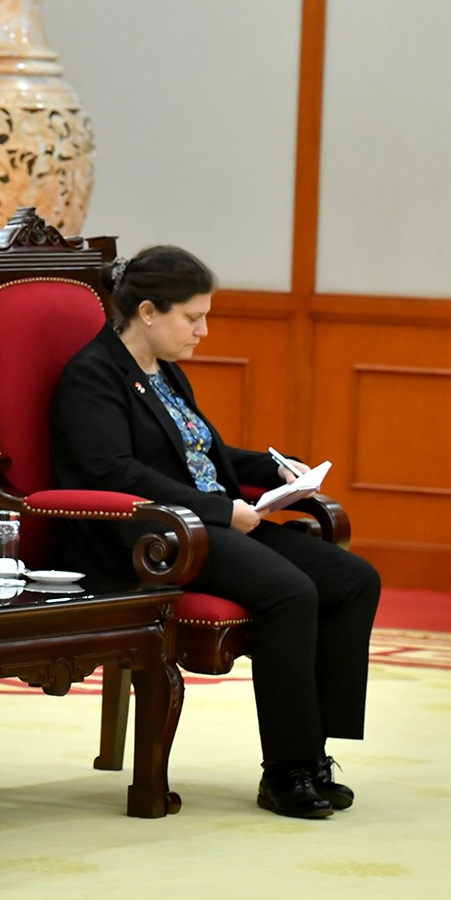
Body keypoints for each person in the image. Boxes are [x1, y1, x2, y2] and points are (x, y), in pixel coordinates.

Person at [49, 244, 380, 819]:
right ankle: (285, 770)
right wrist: (223, 511)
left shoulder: (165, 370)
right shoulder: (92, 375)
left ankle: (316, 751)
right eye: (193, 316)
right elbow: (115, 473)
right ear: (148, 311)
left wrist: (273, 468)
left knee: (352, 579)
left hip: (203, 520)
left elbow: (202, 451)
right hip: (148, 537)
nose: (203, 330)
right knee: (290, 590)